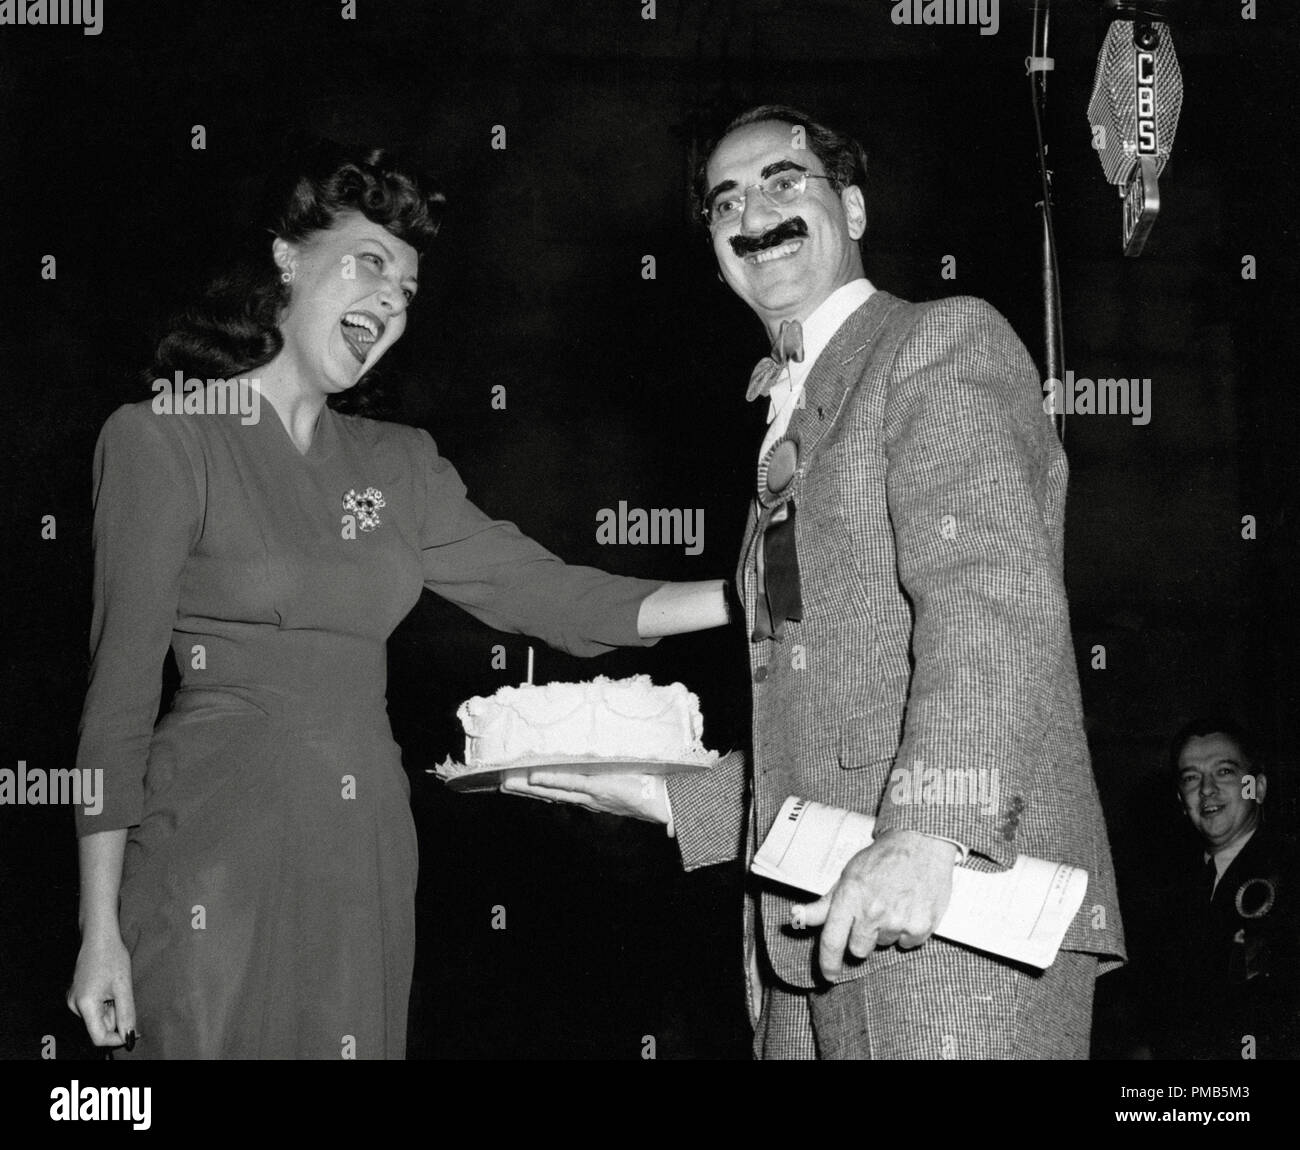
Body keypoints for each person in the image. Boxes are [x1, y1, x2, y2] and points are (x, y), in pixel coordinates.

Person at [66, 141, 727, 1059]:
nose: (390, 297)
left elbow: (550, 595)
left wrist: (743, 595)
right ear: (286, 259)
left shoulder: (398, 464)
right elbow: (118, 701)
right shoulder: (163, 438)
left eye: (408, 290)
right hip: (211, 844)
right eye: (369, 262)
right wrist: (99, 929)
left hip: (362, 840)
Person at [506, 105, 1126, 1058]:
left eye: (784, 181)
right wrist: (674, 800)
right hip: (810, 940)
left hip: (951, 917)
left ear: (857, 210)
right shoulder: (786, 422)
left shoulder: (938, 343)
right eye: (725, 202)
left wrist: (929, 836)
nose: (754, 210)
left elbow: (989, 600)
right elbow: (830, 715)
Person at [1137, 719, 1299, 1059]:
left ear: (1257, 788)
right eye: (1192, 778)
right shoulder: (1167, 890)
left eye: (1224, 772)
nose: (1207, 789)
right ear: (1182, 801)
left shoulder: (1289, 871)